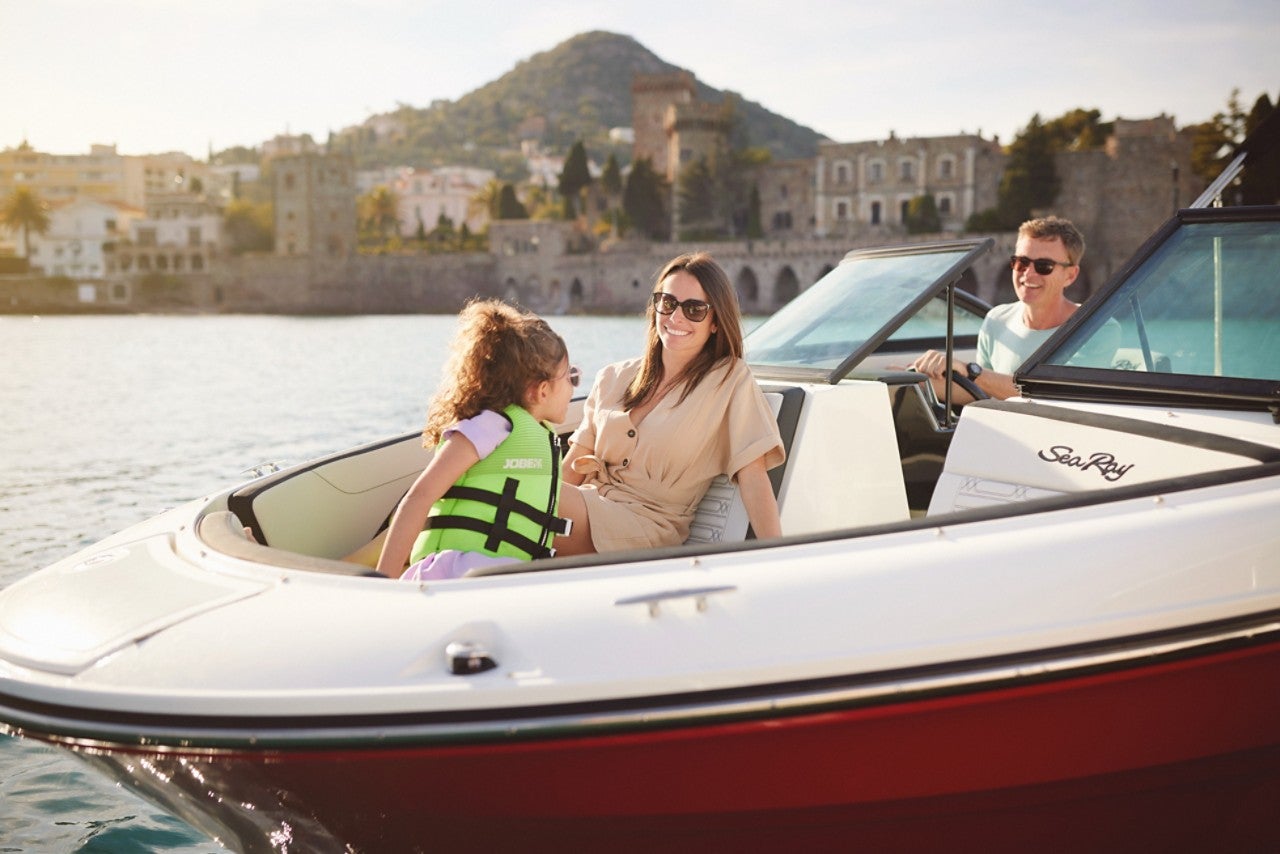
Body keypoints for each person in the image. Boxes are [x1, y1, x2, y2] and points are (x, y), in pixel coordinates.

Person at [552, 252, 784, 556]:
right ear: (655, 306)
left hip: (648, 527)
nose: (676, 317)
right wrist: (550, 490)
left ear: (715, 322)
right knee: (519, 492)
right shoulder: (613, 377)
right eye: (668, 303)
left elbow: (753, 476)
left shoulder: (729, 381)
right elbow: (573, 465)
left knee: (525, 497)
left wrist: (780, 556)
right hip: (587, 503)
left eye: (694, 309)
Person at [374, 298, 579, 579]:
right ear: (542, 390)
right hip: (453, 572)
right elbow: (420, 497)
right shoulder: (491, 426)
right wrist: (383, 582)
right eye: (571, 378)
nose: (574, 388)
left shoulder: (539, 436)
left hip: (499, 576)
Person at [910, 215, 1090, 403]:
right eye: (1022, 262)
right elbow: (982, 392)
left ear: (1070, 275)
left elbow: (1056, 395)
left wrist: (972, 371)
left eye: (1044, 266)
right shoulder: (996, 319)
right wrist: (914, 381)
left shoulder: (1094, 327)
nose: (1028, 273)